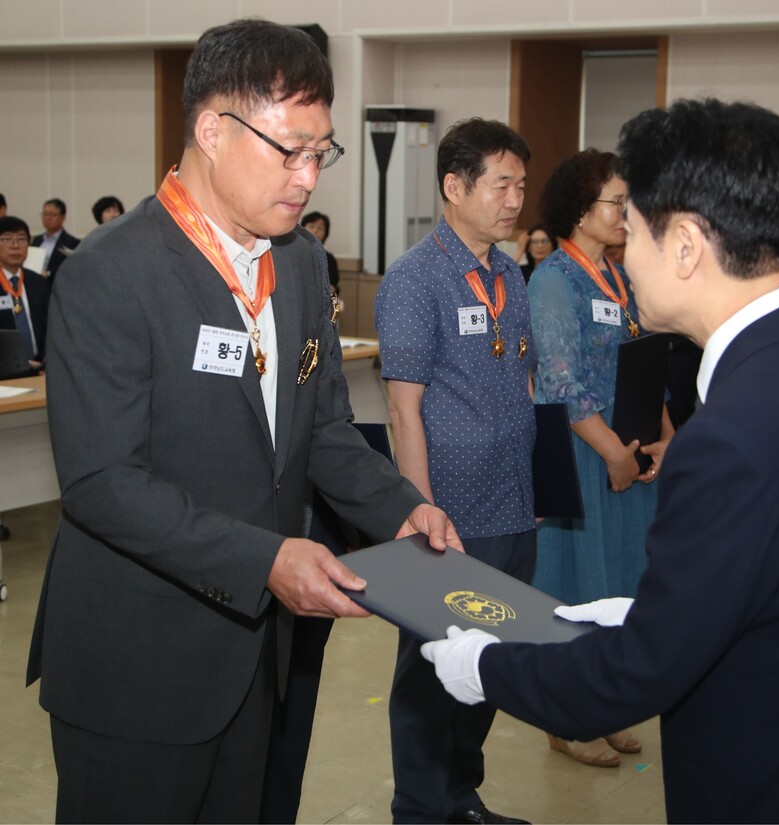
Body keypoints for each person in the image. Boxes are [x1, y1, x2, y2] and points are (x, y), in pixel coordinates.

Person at [421, 98, 779, 823]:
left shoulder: (729, 439)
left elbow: (634, 674)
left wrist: (483, 665)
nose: (625, 249)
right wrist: (653, 607)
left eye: (634, 228)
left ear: (685, 246)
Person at [26, 18, 460, 824]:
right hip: (137, 657)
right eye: (288, 149)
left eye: (319, 153)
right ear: (212, 130)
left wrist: (399, 508)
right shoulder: (111, 273)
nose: (307, 177)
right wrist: (267, 560)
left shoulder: (295, 263)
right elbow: (102, 483)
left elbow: (324, 426)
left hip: (257, 650)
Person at [375, 117, 536, 825]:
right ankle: (420, 805)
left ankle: (459, 797)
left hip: (513, 503)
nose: (514, 199)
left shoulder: (509, 273)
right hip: (450, 515)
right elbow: (402, 409)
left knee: (489, 664)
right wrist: (420, 513)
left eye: (521, 185)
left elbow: (522, 379)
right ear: (454, 185)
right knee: (429, 671)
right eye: (502, 183)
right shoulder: (416, 279)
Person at [527, 149, 673, 768]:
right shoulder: (555, 279)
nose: (625, 212)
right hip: (589, 454)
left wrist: (668, 435)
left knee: (622, 585)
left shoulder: (618, 274)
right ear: (581, 210)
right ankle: (566, 719)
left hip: (633, 451)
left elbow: (646, 364)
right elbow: (560, 382)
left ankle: (604, 706)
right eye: (616, 201)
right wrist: (614, 453)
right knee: (579, 589)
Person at [0, 215, 50, 367]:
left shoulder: (39, 283)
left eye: (21, 239)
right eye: (6, 239)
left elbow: (50, 328)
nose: (15, 246)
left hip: (40, 369)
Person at [31, 198, 79, 282]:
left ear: (63, 217)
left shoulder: (72, 242)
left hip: (56, 285)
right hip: (35, 283)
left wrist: (49, 273)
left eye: (53, 215)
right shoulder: (37, 240)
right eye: (45, 214)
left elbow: (71, 267)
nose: (48, 218)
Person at [301, 210, 339, 290]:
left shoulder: (329, 259)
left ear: (325, 233)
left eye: (320, 228)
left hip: (322, 300)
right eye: (311, 226)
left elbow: (334, 290)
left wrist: (335, 302)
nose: (315, 230)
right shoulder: (291, 254)